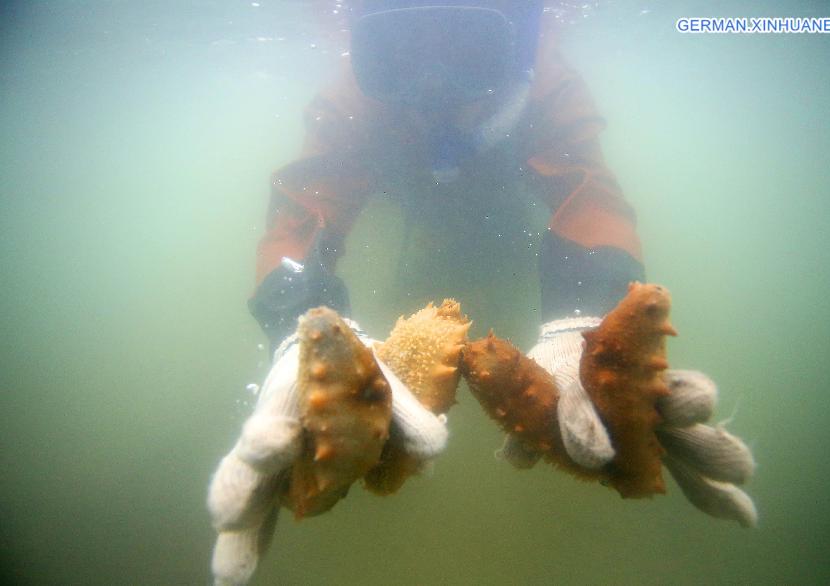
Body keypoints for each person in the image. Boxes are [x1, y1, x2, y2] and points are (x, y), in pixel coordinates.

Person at [208, 3, 657, 583]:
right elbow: (302, 218)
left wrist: (586, 320)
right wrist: (298, 331)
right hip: (419, 204)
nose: (431, 87)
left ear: (517, 41)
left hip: (505, 206)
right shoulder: (356, 99)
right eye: (399, 53)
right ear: (365, 45)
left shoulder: (542, 81)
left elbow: (588, 197)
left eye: (470, 47)